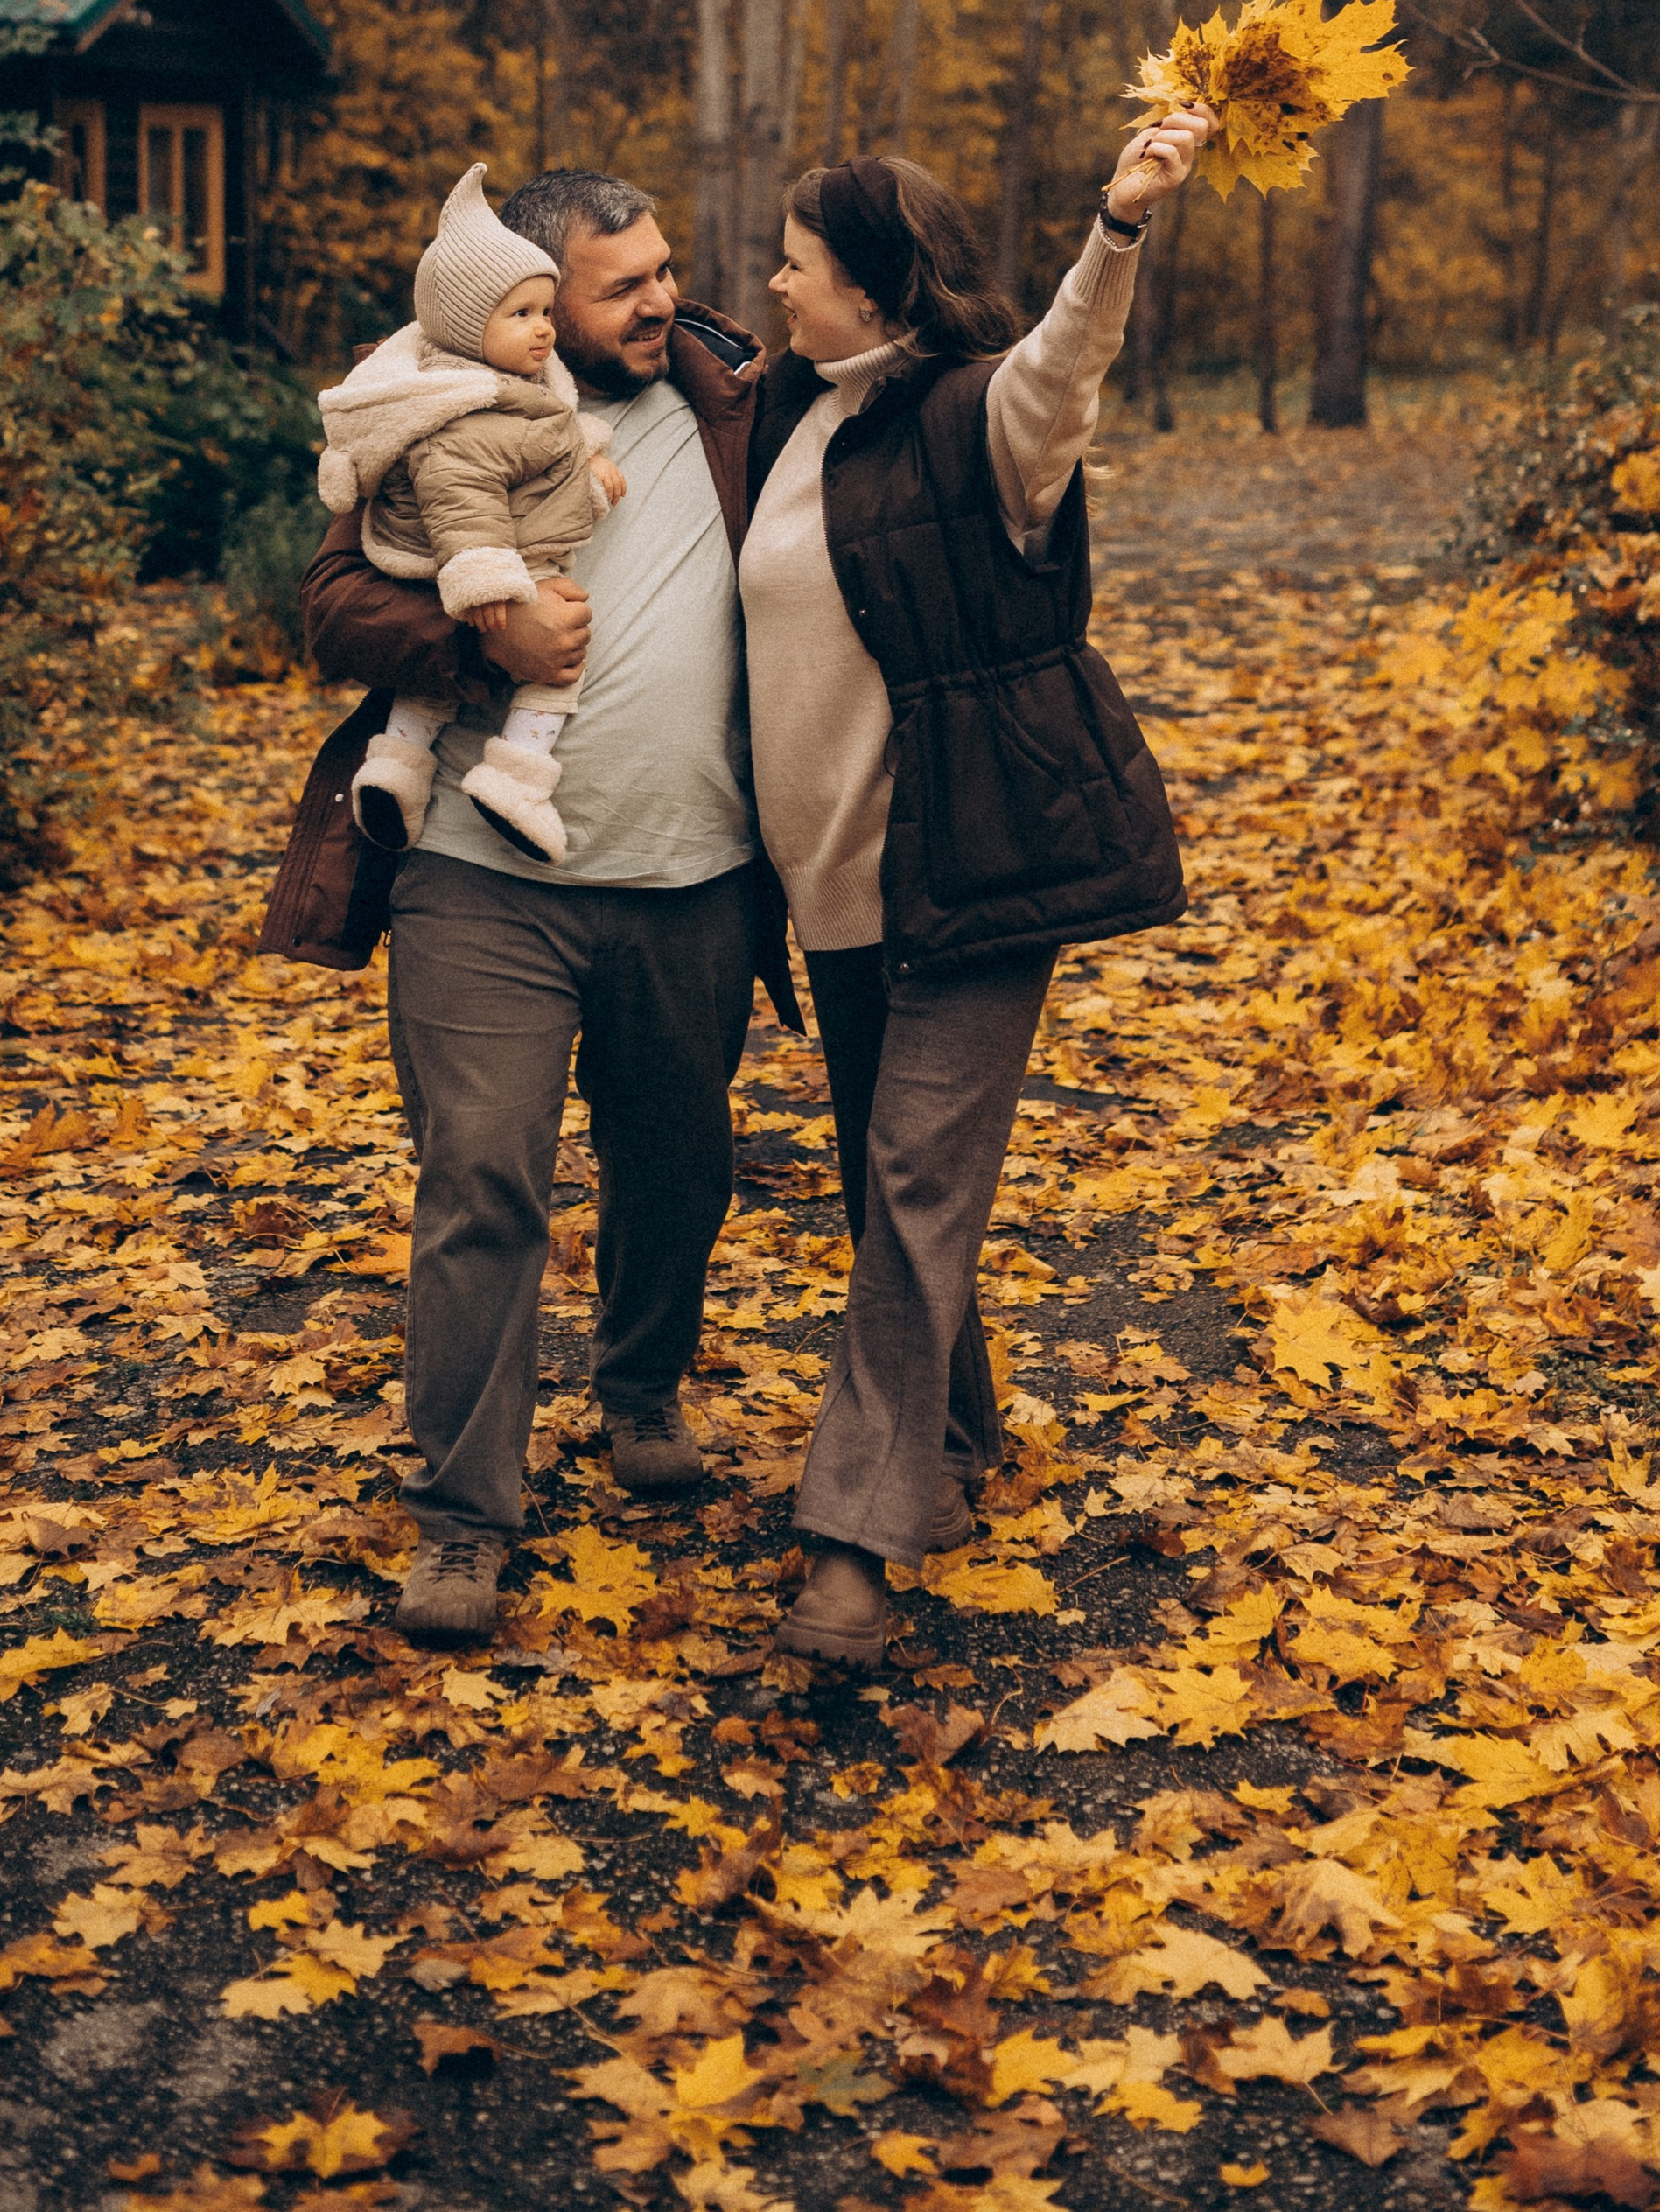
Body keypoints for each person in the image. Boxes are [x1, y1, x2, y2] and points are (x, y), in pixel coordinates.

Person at [260, 170, 796, 1649]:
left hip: (695, 874)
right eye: (623, 286)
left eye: (665, 269)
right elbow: (327, 606)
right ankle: (459, 1519)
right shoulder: (435, 399)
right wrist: (468, 624)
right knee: (484, 1179)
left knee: (679, 1165)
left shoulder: (736, 397)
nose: (662, 300)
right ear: (538, 300)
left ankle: (638, 1390)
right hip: (479, 881)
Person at [737, 107, 1211, 1665]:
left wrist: (1120, 223)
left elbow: (1061, 364)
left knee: (913, 1185)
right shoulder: (783, 410)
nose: (776, 285)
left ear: (875, 290)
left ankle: (852, 1544)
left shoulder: (971, 419)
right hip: (833, 890)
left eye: (797, 265)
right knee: (894, 1179)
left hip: (971, 863)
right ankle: (953, 1440)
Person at [313, 165, 627, 866]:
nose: (543, 330)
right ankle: (516, 778)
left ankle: (397, 768)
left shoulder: (505, 387)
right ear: (463, 325)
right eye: (523, 315)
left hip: (469, 557)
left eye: (544, 312)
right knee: (556, 668)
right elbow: (464, 487)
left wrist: (589, 463)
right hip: (477, 568)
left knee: (428, 696)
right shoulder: (455, 409)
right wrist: (484, 580)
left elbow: (540, 448)